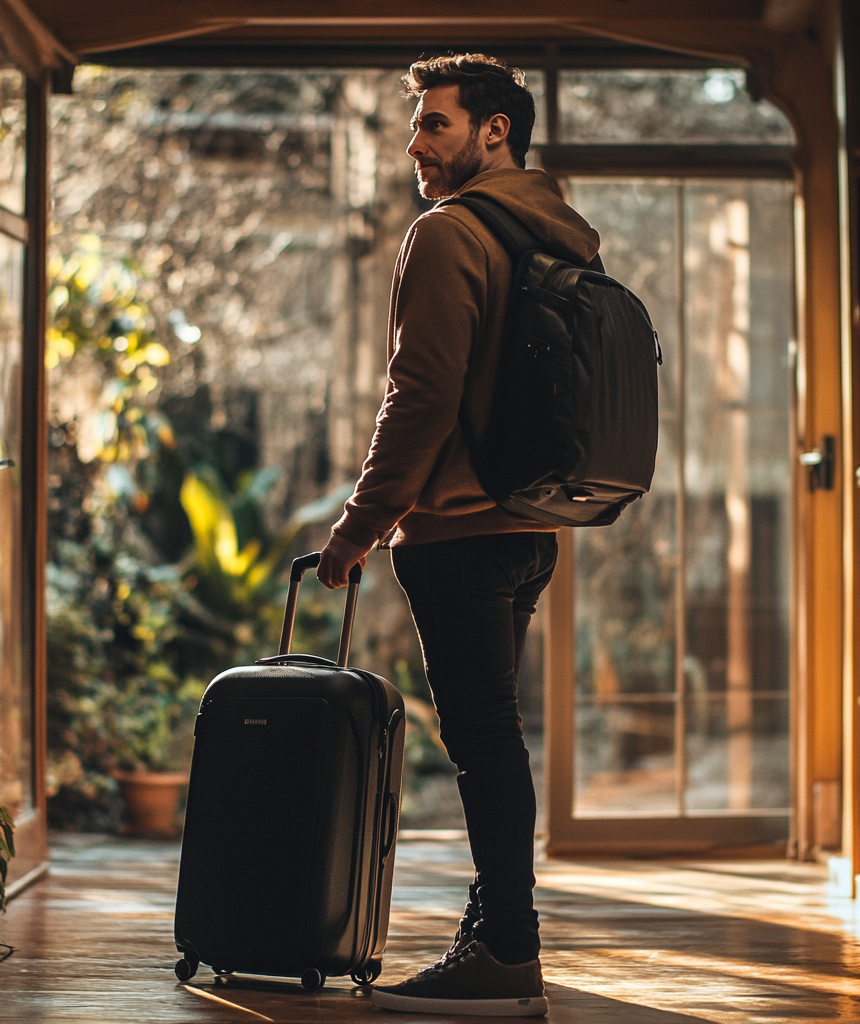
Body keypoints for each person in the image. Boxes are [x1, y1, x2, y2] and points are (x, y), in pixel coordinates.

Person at [317, 53, 601, 1017]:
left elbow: (422, 395)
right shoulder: (558, 231)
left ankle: (507, 954)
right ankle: (497, 935)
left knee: (483, 743)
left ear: (495, 132)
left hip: (461, 530)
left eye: (436, 124)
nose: (415, 143)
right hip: (532, 526)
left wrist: (359, 528)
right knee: (495, 737)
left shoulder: (450, 233)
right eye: (418, 125)